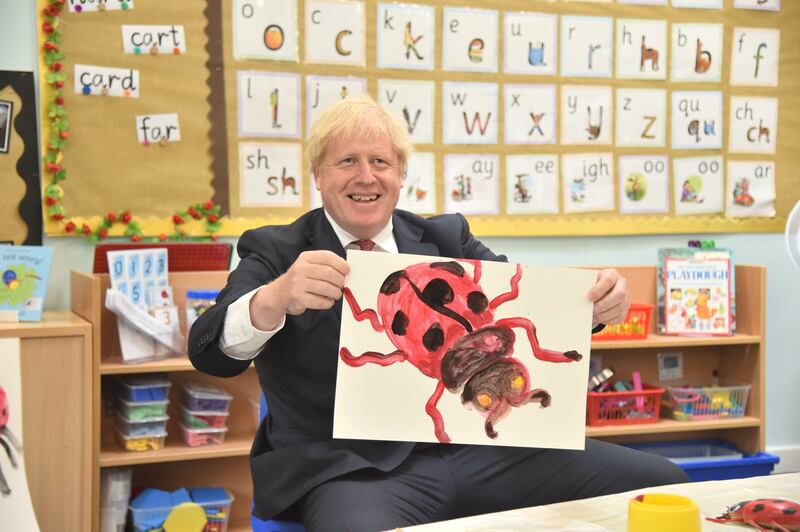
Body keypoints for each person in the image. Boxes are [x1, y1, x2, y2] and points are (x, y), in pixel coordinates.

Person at [188, 94, 688, 532]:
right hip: (351, 470)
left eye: (381, 161)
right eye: (347, 162)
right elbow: (209, 350)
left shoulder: (448, 238)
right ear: (317, 175)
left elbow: (528, 303)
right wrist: (273, 299)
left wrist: (597, 307)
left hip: (484, 452)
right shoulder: (276, 251)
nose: (367, 177)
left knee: (662, 486)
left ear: (401, 174)